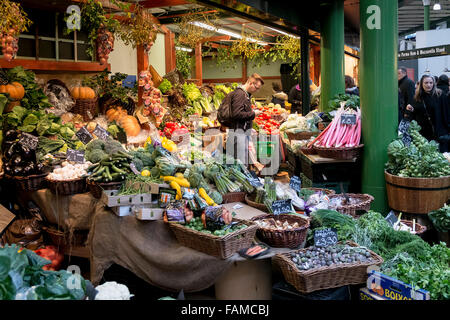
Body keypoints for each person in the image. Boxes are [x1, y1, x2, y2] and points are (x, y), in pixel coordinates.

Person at [226, 73, 264, 166]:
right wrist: (253, 113)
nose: (257, 90)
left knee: (243, 164)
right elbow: (236, 114)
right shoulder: (240, 95)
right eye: (257, 87)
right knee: (241, 165)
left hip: (241, 134)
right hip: (238, 134)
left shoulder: (245, 94)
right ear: (251, 83)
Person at [406, 74, 449, 152]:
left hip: (439, 133)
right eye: (426, 83)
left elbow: (446, 113)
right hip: (423, 135)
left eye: (431, 82)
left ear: (434, 84)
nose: (428, 85)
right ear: (421, 84)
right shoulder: (417, 97)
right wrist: (410, 110)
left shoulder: (440, 95)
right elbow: (413, 115)